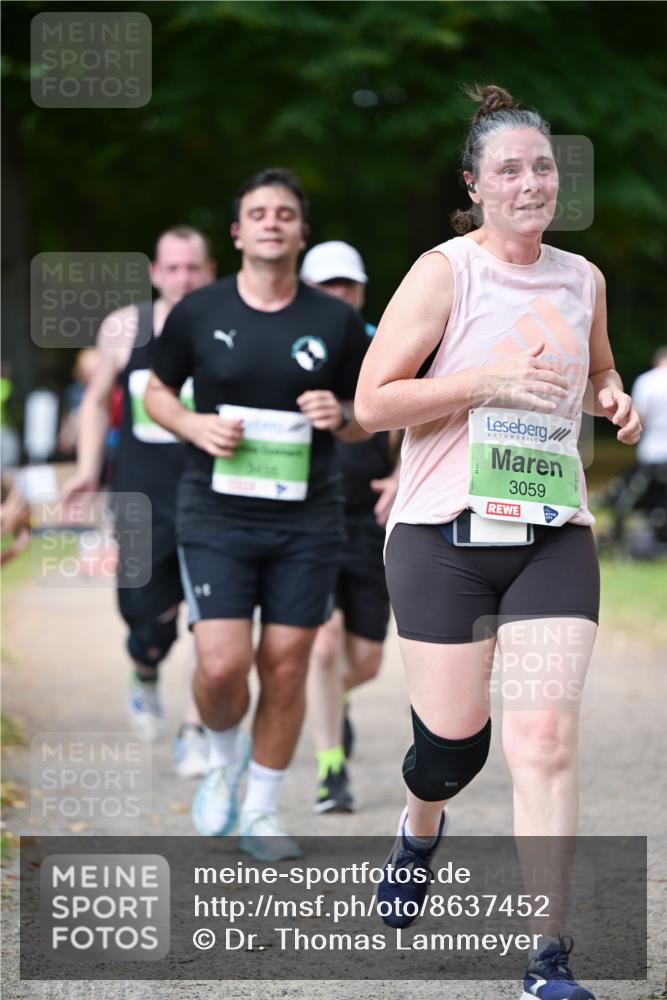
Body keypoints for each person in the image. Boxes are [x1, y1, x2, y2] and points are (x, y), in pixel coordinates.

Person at [354, 85, 642, 1000]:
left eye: (543, 167)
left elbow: (596, 366)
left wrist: (612, 397)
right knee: (452, 747)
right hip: (442, 534)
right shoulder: (445, 273)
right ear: (474, 185)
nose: (530, 184)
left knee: (545, 739)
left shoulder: (580, 278)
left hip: (550, 530)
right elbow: (371, 405)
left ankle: (545, 958)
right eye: (508, 170)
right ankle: (419, 825)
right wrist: (480, 382)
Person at [144, 168, 370, 861]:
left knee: (285, 662)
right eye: (257, 213)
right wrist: (192, 425)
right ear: (238, 232)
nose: (271, 222)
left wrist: (345, 416)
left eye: (285, 213)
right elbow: (153, 391)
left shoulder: (333, 321)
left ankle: (263, 812)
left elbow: (370, 415)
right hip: (214, 510)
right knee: (220, 666)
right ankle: (220, 759)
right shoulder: (199, 311)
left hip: (306, 517)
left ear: (301, 230)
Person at [61, 227, 216, 778]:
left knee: (213, 620)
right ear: (154, 271)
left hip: (210, 495)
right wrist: (85, 470)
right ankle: (145, 670)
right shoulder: (125, 327)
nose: (183, 278)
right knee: (145, 621)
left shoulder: (224, 326)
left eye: (193, 268)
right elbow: (98, 399)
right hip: (139, 494)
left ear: (210, 270)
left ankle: (195, 733)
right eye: (172, 268)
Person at [300, 241, 400, 813]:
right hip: (308, 519)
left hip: (369, 521)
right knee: (324, 642)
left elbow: (421, 420)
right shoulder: (289, 350)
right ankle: (330, 770)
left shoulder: (385, 349)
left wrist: (403, 476)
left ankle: (330, 704)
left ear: (360, 292)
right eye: (327, 285)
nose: (338, 295)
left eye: (348, 286)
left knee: (364, 661)